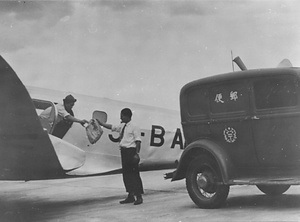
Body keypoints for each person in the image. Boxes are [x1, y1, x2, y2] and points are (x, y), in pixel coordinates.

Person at [97, 108, 144, 205]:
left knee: (134, 175)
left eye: (122, 115)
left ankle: (139, 196)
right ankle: (130, 195)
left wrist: (137, 154)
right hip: (124, 152)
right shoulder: (122, 126)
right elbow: (112, 127)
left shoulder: (134, 127)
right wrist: (101, 124)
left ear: (127, 116)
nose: (120, 117)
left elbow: (138, 141)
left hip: (131, 152)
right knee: (126, 175)